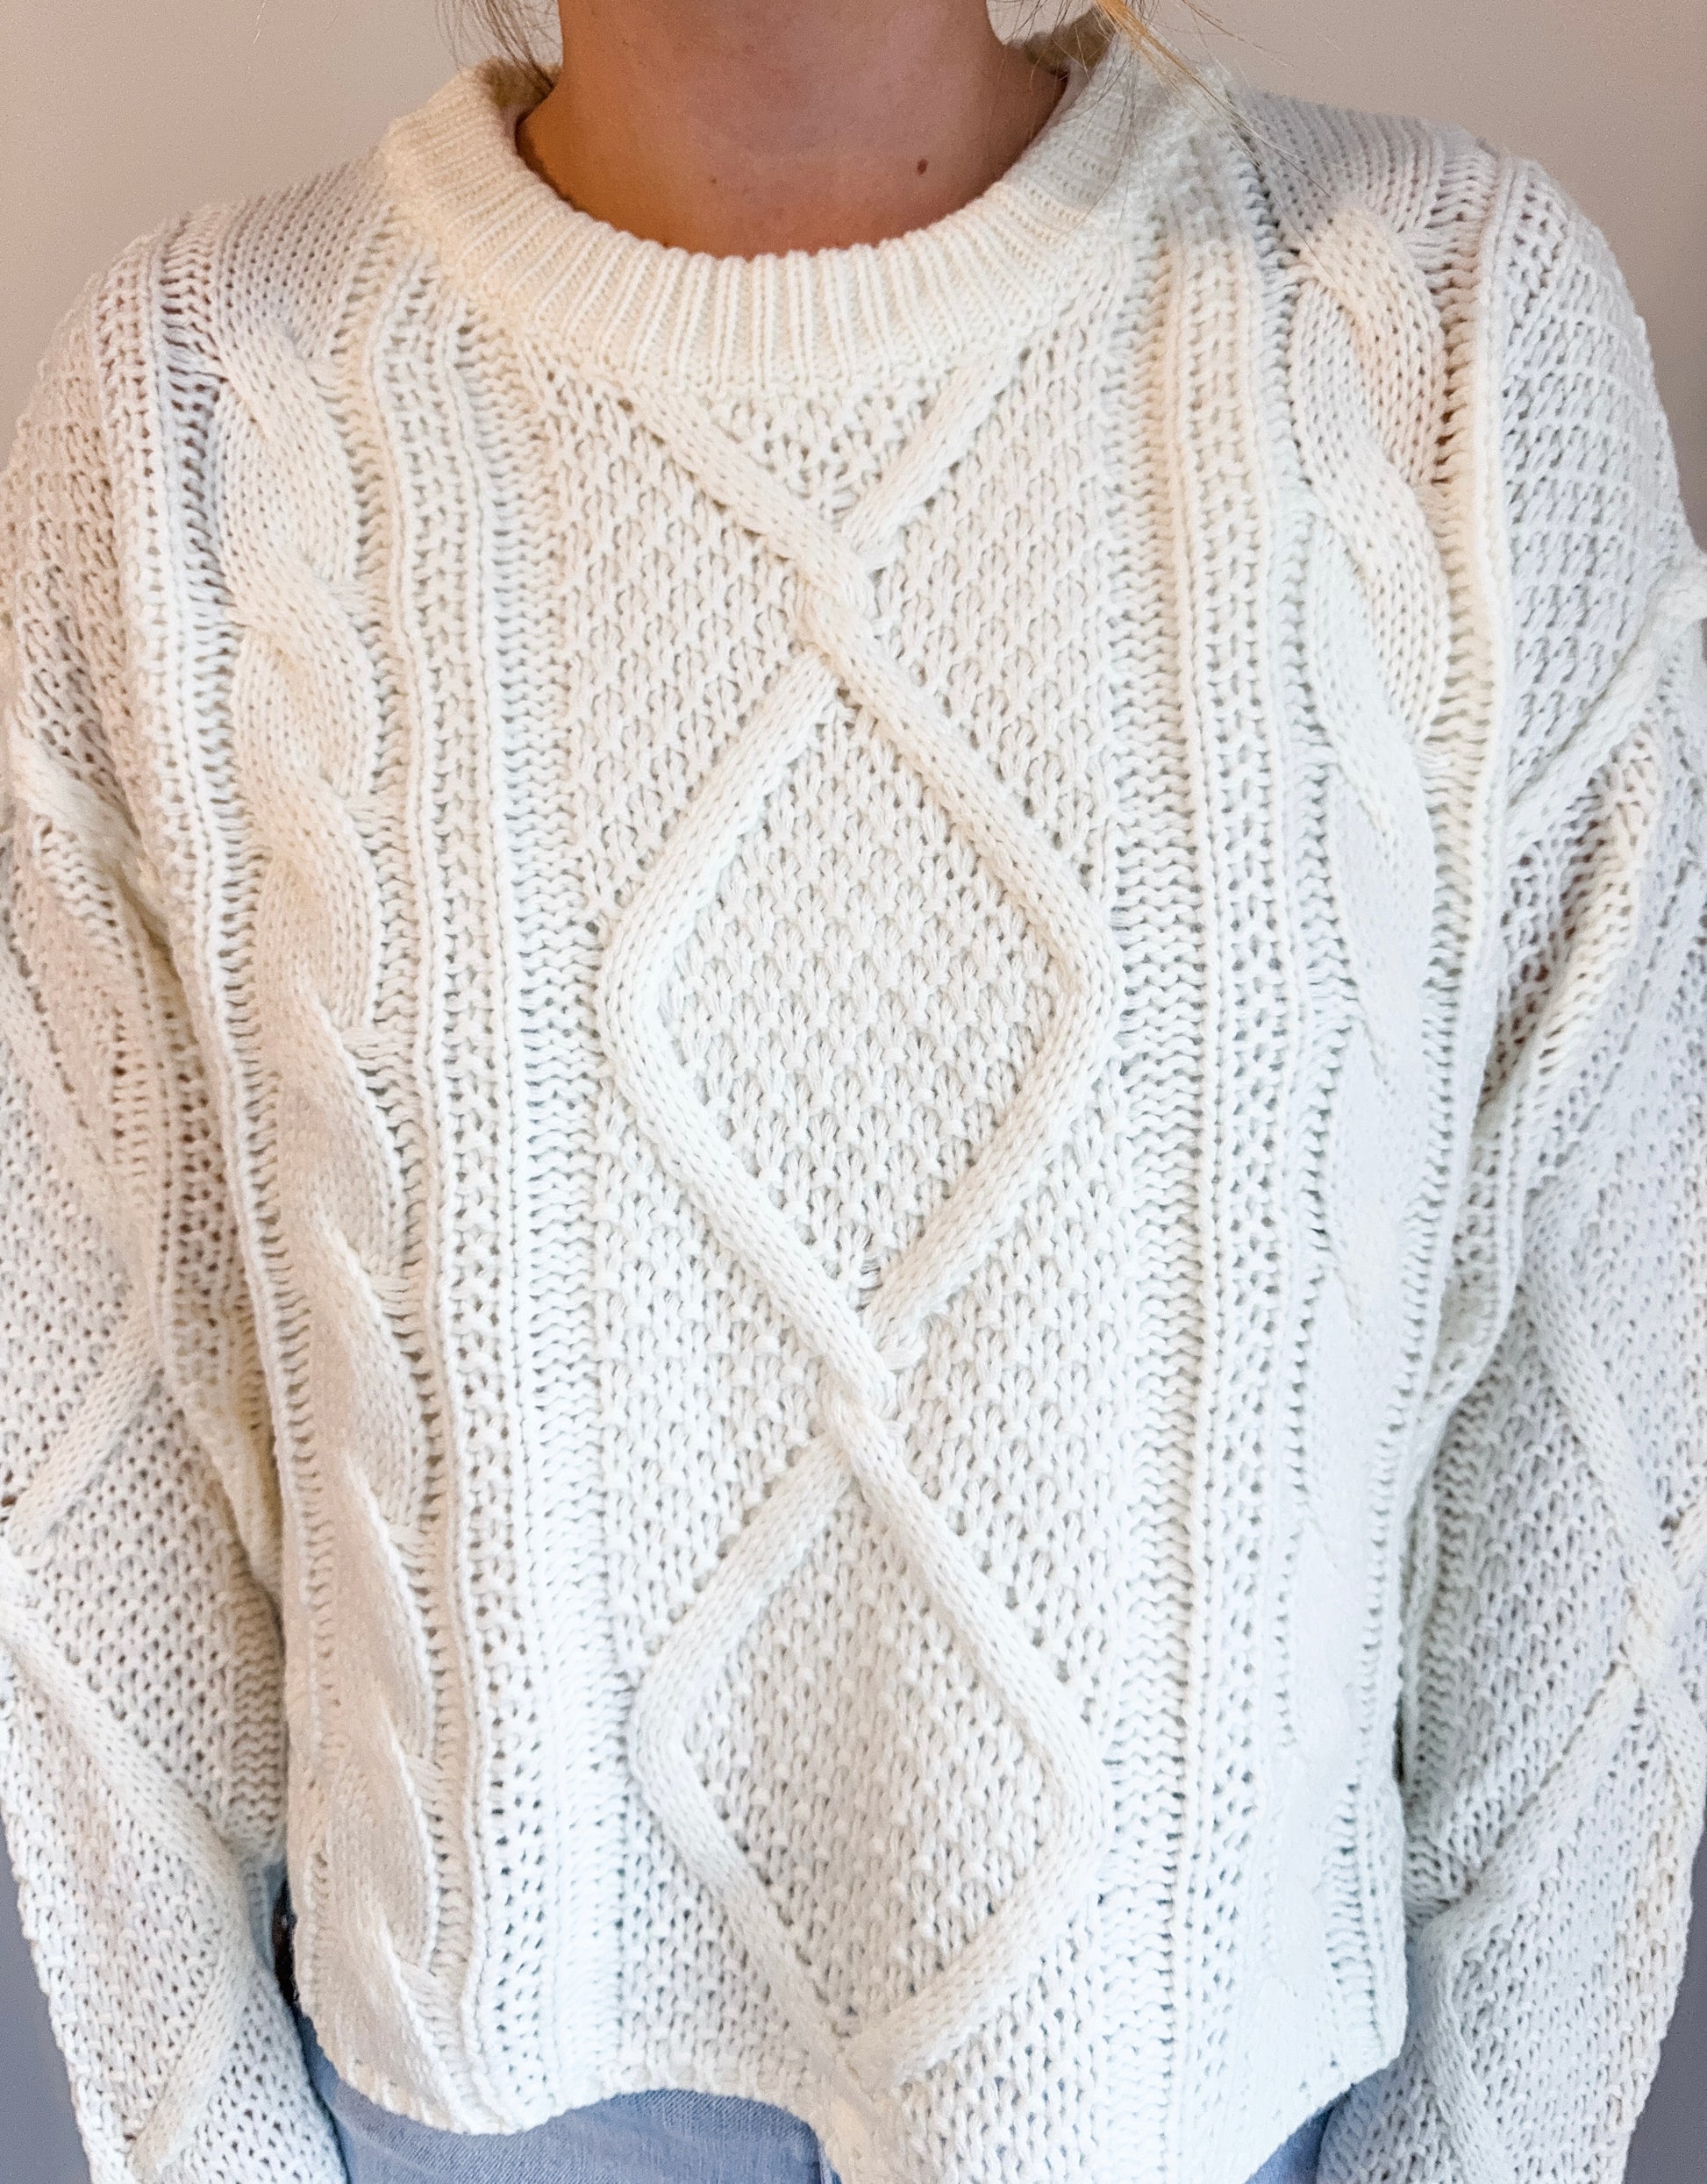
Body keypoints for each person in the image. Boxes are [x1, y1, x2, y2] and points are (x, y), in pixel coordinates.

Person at [2, 0, 1704, 2178]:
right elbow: (92, 1470)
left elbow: (1600, 1438)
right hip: (465, 2125)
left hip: (1204, 2114)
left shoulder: (1440, 338)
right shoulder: (191, 414)